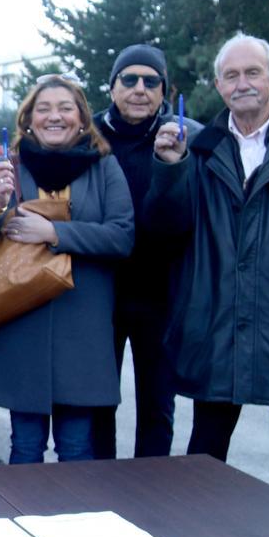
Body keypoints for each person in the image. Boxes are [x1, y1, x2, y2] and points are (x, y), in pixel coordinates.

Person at [147, 34, 269, 537]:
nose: (242, 83)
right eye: (231, 75)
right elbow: (165, 231)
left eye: (254, 72)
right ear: (218, 85)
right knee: (208, 441)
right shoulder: (194, 150)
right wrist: (168, 168)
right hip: (215, 321)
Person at [0, 75, 134, 463]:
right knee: (24, 445)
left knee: (76, 447)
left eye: (65, 108)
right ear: (28, 119)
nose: (54, 116)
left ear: (82, 118)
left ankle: (74, 524)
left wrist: (55, 232)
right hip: (21, 324)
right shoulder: (5, 167)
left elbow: (122, 237)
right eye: (44, 109)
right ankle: (25, 521)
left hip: (82, 329)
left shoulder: (105, 167)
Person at [90, 45, 200, 460]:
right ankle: (99, 489)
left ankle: (149, 494)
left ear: (164, 90)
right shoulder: (90, 135)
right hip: (101, 291)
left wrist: (176, 162)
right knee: (99, 400)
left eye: (150, 81)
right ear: (113, 86)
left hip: (161, 294)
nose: (140, 89)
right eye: (129, 80)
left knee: (157, 405)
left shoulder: (186, 135)